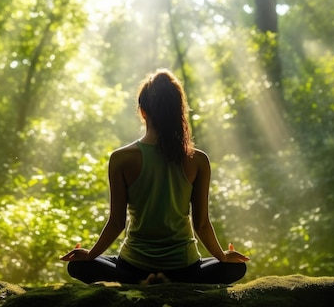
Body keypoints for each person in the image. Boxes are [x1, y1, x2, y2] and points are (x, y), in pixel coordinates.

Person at [60, 68, 249, 285]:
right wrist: (223, 257)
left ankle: (145, 281)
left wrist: (91, 254)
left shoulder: (121, 158)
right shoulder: (198, 160)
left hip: (133, 268)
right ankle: (171, 282)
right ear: (179, 111)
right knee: (236, 268)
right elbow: (202, 224)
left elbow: (116, 223)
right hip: (184, 269)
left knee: (78, 265)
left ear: (142, 111)